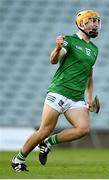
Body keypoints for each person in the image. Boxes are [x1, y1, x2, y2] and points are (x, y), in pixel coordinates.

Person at [11, 9, 101, 172]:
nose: (95, 25)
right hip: (59, 91)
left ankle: (47, 143)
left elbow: (90, 76)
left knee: (83, 129)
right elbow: (53, 60)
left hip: (76, 97)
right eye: (91, 21)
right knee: (45, 129)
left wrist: (89, 98)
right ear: (81, 23)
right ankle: (18, 159)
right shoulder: (69, 40)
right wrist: (58, 47)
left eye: (97, 21)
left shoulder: (94, 50)